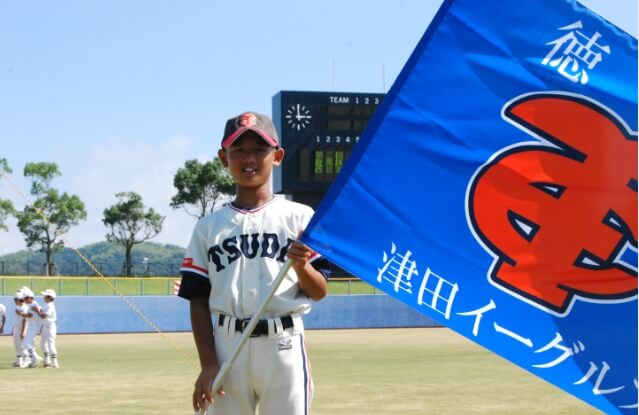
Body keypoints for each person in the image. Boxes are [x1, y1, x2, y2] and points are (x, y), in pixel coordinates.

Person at [178, 111, 330, 415]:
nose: (249, 158)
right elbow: (197, 299)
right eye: (239, 150)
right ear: (224, 158)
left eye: (260, 149)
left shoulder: (300, 218)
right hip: (226, 345)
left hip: (283, 343)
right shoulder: (209, 227)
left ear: (277, 155)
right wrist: (208, 364)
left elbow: (319, 290)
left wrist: (302, 266)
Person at [21, 287, 43, 368]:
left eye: (26, 298)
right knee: (26, 343)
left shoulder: (34, 304)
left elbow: (31, 315)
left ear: (31, 297)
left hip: (34, 326)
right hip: (32, 325)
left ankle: (36, 357)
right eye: (24, 298)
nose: (25, 300)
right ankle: (34, 359)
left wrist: (22, 315)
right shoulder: (31, 304)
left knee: (26, 343)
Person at [38, 289, 58, 368]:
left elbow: (44, 316)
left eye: (45, 296)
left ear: (50, 297)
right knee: (43, 344)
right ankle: (47, 361)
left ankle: (55, 363)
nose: (44, 297)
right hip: (45, 327)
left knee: (51, 344)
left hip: (50, 327)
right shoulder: (46, 305)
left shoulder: (50, 305)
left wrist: (37, 311)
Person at [11, 290, 28, 368]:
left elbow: (25, 320)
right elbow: (16, 319)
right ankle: (19, 361)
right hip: (16, 328)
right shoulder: (17, 307)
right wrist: (13, 329)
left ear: (19, 299)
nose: (14, 301)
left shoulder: (25, 307)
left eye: (15, 299)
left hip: (21, 328)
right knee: (17, 345)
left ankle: (26, 360)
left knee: (22, 346)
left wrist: (23, 331)